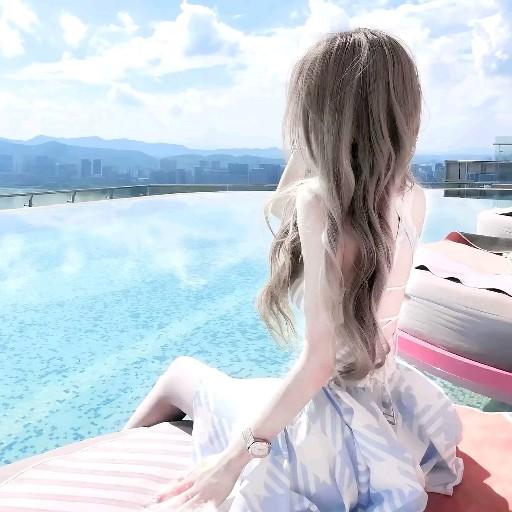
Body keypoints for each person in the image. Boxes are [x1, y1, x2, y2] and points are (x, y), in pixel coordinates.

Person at [125, 27, 464, 511]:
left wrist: (232, 461)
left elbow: (319, 362)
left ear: (319, 110)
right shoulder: (412, 196)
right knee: (233, 387)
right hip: (390, 419)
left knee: (180, 373)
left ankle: (113, 470)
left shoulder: (319, 201)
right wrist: (319, 147)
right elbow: (292, 209)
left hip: (328, 441)